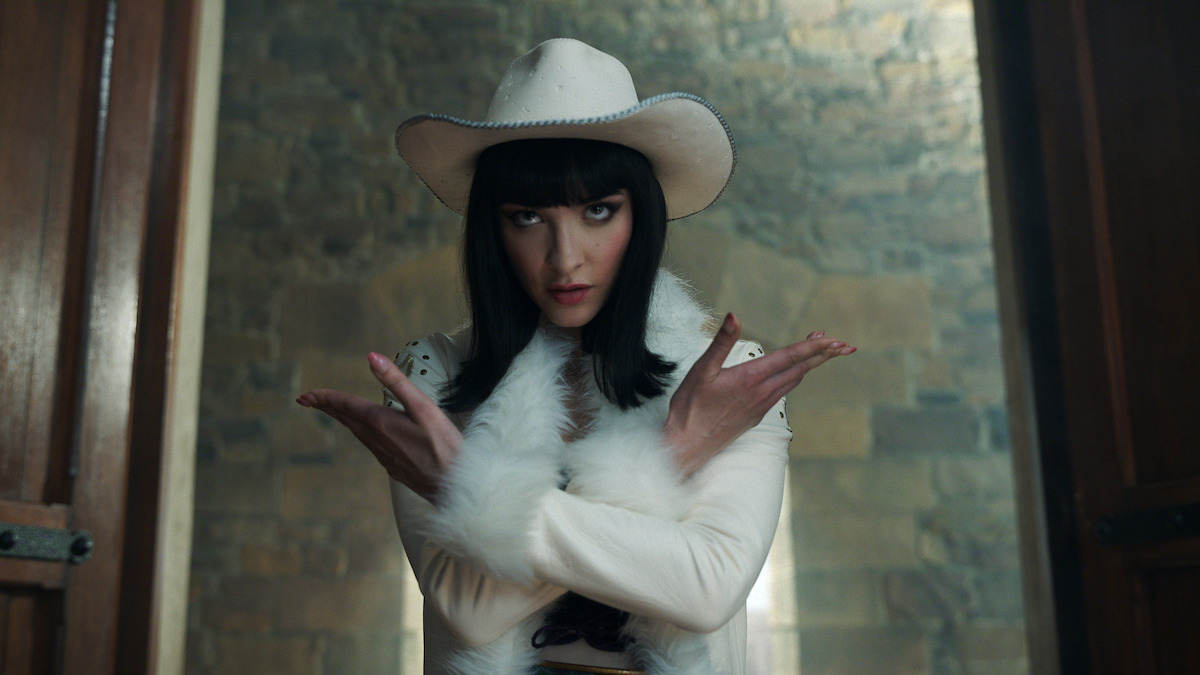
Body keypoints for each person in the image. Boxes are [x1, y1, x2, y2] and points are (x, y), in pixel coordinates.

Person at [297, 38, 855, 675]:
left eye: (598, 211)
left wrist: (477, 492)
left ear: (640, 218)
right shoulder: (436, 376)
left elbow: (706, 588)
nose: (566, 258)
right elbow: (472, 609)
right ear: (492, 229)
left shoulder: (726, 382)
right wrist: (671, 456)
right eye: (528, 217)